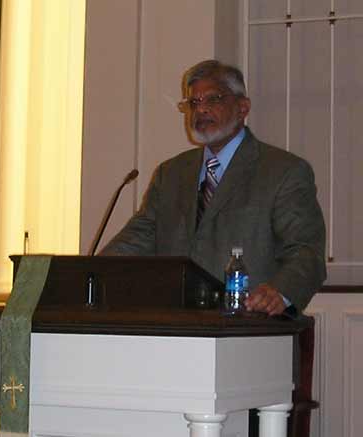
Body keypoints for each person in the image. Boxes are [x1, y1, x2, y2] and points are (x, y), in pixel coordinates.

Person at [100, 59, 326, 316]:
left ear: (243, 107)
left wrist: (279, 292)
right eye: (193, 103)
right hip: (176, 328)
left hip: (252, 328)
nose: (201, 110)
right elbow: (136, 240)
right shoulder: (171, 174)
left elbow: (306, 250)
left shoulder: (283, 171)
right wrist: (91, 275)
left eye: (213, 99)